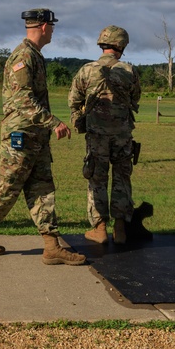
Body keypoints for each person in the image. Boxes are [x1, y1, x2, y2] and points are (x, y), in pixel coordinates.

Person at [0, 8, 85, 266]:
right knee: (8, 186)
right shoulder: (24, 56)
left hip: (36, 137)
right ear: (43, 26)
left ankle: (52, 246)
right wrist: (53, 122)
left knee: (42, 189)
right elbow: (22, 100)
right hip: (20, 137)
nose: (53, 30)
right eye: (51, 26)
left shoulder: (35, 55)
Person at [68, 25, 142, 244]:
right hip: (122, 135)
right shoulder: (129, 70)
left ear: (103, 44)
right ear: (121, 45)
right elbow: (135, 97)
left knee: (96, 180)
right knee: (122, 179)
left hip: (96, 136)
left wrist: (80, 120)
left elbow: (74, 101)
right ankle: (120, 229)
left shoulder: (86, 70)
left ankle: (99, 229)